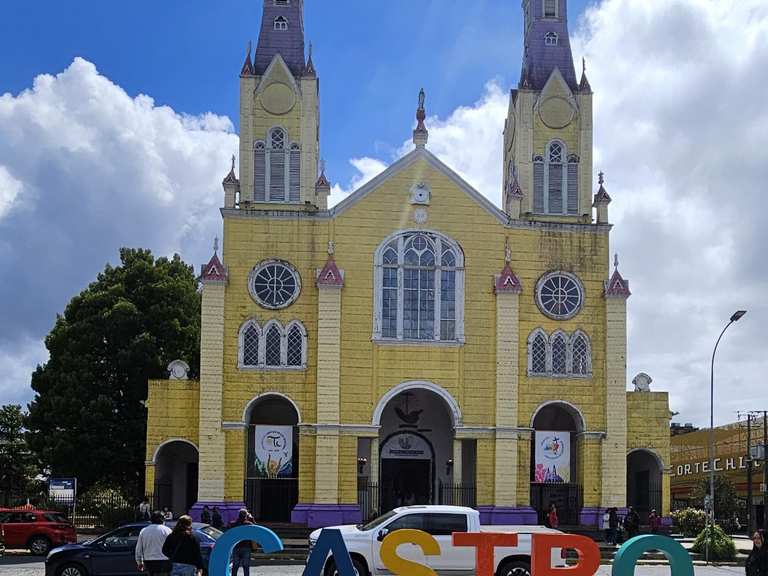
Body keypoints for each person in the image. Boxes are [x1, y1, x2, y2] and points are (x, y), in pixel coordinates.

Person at [136, 511, 172, 576]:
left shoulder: (144, 531)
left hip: (149, 561)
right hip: (164, 561)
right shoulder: (167, 530)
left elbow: (139, 549)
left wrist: (139, 562)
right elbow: (172, 547)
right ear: (162, 520)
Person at [229, 508, 254, 576]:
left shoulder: (233, 524)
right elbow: (256, 530)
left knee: (235, 565)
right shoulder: (249, 524)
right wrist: (251, 518)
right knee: (246, 566)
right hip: (246, 547)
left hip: (236, 546)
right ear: (246, 516)